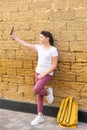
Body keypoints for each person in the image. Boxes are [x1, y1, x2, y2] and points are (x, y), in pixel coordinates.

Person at [10, 27, 58, 126]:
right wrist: (15, 37)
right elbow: (26, 44)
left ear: (47, 38)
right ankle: (40, 116)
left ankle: (48, 92)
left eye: (41, 37)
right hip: (38, 72)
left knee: (36, 90)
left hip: (47, 74)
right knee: (39, 94)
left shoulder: (53, 50)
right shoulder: (39, 47)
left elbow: (54, 65)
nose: (39, 39)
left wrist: (43, 75)